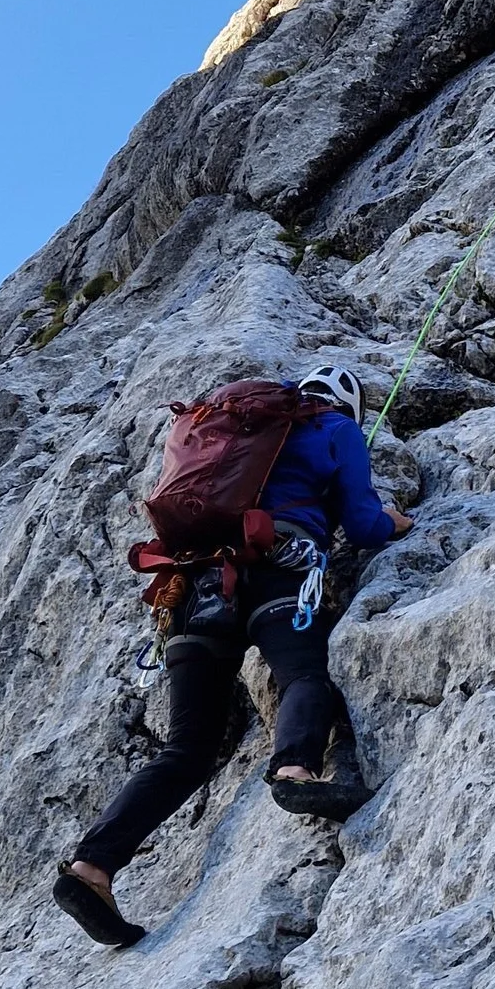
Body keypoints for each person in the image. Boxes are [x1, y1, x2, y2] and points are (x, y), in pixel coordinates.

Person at [53, 360, 412, 949]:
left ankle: (91, 868)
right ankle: (295, 769)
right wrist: (394, 520)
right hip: (278, 568)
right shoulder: (334, 427)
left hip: (195, 584)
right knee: (301, 673)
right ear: (348, 406)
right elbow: (363, 523)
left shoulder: (230, 430)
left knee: (188, 747)